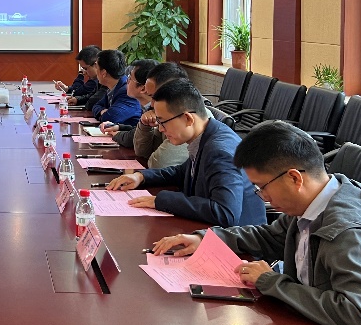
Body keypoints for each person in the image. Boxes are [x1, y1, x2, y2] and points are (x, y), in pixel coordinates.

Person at [152, 121, 361, 325]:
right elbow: (272, 237)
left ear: (294, 178)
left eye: (262, 187)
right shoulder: (318, 199)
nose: (263, 197)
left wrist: (272, 282)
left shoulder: (350, 233)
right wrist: (207, 239)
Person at [106, 79, 264, 226]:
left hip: (237, 242)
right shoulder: (207, 135)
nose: (160, 129)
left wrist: (161, 200)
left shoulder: (219, 151)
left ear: (188, 119)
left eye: (163, 122)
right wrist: (141, 177)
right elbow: (183, 172)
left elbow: (225, 212)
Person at [123, 62, 190, 169]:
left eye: (155, 97)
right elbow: (142, 152)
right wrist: (145, 126)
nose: (152, 104)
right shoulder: (165, 116)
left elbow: (158, 165)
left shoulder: (183, 118)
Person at [106, 58, 157, 150]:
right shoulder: (146, 106)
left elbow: (133, 138)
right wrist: (119, 127)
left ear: (143, 88)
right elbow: (137, 129)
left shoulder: (157, 111)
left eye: (130, 78)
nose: (126, 81)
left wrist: (117, 135)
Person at [90, 49, 143, 127]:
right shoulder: (112, 87)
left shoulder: (127, 90)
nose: (96, 71)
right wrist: (102, 111)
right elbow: (95, 106)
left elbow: (110, 118)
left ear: (103, 73)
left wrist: (104, 113)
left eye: (96, 67)